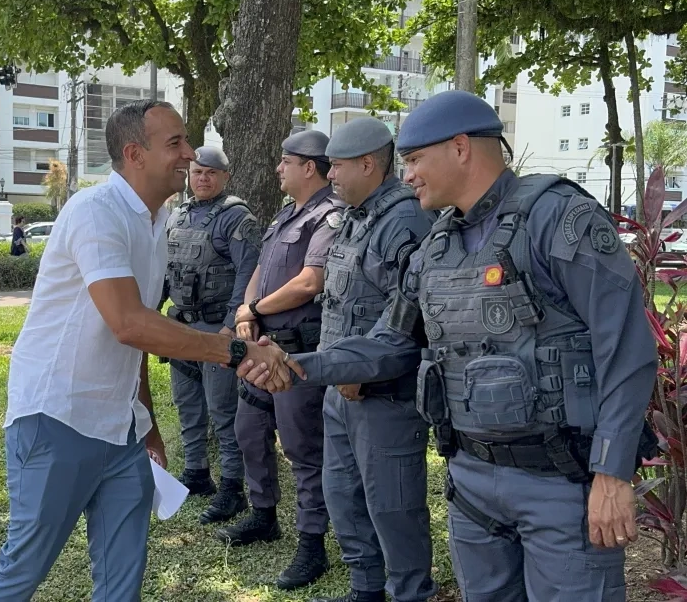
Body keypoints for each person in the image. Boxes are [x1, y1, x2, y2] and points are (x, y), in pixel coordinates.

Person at [240, 90, 658, 601]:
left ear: (461, 148)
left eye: (415, 159)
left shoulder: (558, 218)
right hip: (472, 482)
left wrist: (612, 474)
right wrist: (303, 365)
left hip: (562, 484)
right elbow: (391, 342)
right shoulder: (437, 244)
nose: (407, 173)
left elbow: (627, 349)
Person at [0, 99, 298, 602]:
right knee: (26, 564)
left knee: (123, 574)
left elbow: (140, 334)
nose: (190, 154)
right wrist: (236, 353)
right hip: (56, 416)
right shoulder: (95, 213)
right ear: (135, 153)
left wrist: (146, 424)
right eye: (175, 143)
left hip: (121, 428)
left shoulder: (157, 221)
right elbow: (129, 323)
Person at [310, 117, 438, 602]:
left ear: (368, 164)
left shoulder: (406, 221)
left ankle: (410, 592)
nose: (331, 176)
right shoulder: (357, 216)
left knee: (393, 506)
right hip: (340, 387)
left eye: (337, 167)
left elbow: (410, 310)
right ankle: (366, 589)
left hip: (382, 394)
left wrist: (360, 373)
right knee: (343, 495)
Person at [216, 130, 346, 591]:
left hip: (295, 352)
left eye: (286, 161)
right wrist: (246, 313)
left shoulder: (329, 215)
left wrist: (255, 310)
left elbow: (311, 281)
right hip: (262, 345)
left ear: (309, 166)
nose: (278, 168)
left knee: (303, 449)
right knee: (248, 432)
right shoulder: (286, 214)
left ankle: (312, 544)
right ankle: (263, 514)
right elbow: (258, 271)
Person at [160, 145, 262, 524]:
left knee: (223, 411)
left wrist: (231, 326)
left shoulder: (236, 218)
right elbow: (165, 271)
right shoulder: (177, 215)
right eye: (197, 172)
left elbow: (249, 273)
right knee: (187, 405)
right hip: (180, 326)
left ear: (224, 177)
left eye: (211, 174)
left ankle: (233, 487)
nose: (202, 179)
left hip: (217, 328)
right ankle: (197, 473)